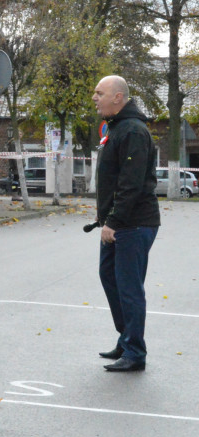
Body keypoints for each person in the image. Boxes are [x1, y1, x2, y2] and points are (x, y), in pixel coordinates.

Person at [91, 75, 160, 372]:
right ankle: (126, 337)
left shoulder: (132, 130)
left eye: (100, 93)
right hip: (119, 223)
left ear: (118, 97)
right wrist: (104, 218)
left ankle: (135, 352)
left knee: (129, 287)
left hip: (133, 224)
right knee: (110, 278)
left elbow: (130, 184)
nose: (95, 98)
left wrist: (114, 222)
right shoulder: (117, 128)